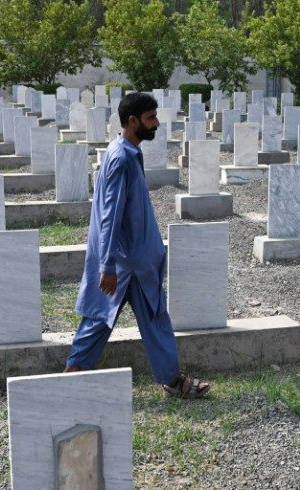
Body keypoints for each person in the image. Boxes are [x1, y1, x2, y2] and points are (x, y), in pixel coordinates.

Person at [63, 92, 210, 399]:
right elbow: (110, 215)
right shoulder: (120, 159)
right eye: (151, 118)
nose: (156, 123)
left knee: (155, 318)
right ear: (133, 122)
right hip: (123, 264)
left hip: (138, 262)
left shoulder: (128, 152)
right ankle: (71, 378)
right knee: (98, 319)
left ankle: (171, 379)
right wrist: (107, 266)